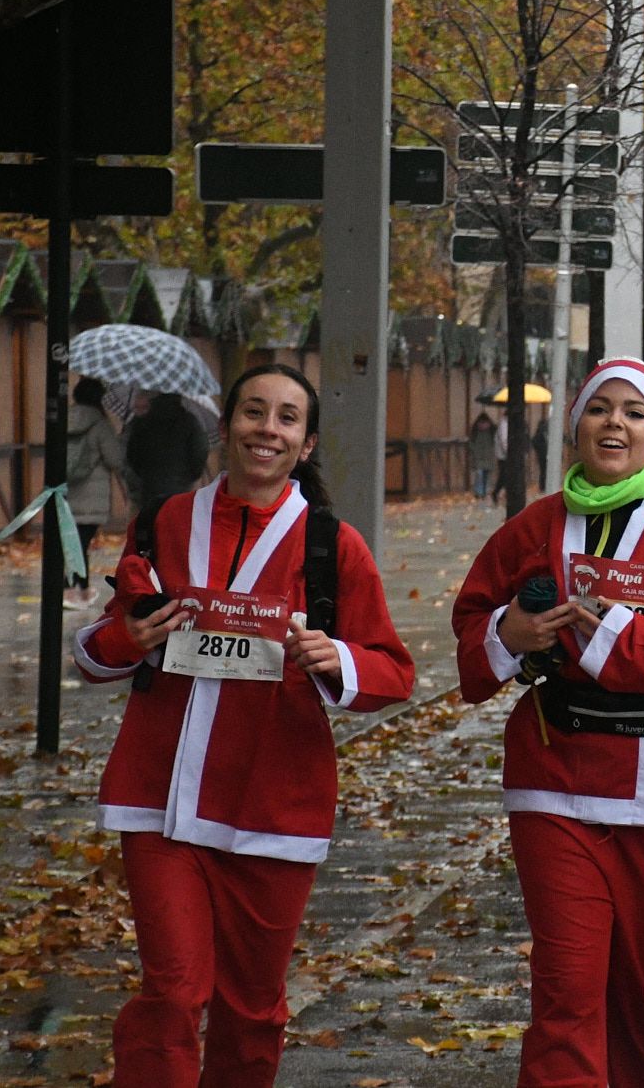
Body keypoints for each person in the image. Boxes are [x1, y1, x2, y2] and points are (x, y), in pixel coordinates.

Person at [73, 364, 416, 1086]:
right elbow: (102, 645)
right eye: (254, 411)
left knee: (252, 1007)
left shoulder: (333, 544)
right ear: (224, 427)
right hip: (162, 797)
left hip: (272, 804)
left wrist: (336, 657)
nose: (268, 428)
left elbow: (393, 669)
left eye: (286, 417)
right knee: (172, 992)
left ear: (306, 442)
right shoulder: (165, 521)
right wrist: (125, 640)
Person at [452, 359, 644, 1085]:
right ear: (575, 425)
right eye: (601, 409)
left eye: (634, 412)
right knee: (565, 997)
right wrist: (510, 632)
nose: (615, 424)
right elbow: (473, 621)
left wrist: (616, 640)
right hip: (554, 780)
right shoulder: (535, 525)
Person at [65, 376, 126, 609]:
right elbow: (115, 459)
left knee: (73, 542)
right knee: (80, 543)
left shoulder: (64, 419)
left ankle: (77, 587)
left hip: (67, 493)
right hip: (93, 496)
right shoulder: (100, 423)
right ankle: (74, 589)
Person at [123, 391, 211, 516]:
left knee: (152, 526)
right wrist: (191, 475)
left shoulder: (143, 421)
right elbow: (200, 451)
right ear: (179, 398)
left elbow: (132, 453)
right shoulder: (189, 421)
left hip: (150, 487)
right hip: (181, 488)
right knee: (175, 525)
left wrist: (144, 474)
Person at [468, 407, 500, 501]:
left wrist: (474, 451)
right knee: (484, 476)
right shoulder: (491, 431)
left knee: (481, 476)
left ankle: (480, 492)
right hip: (487, 457)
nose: (483, 425)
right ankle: (482, 492)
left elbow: (472, 443)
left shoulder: (475, 431)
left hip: (480, 457)